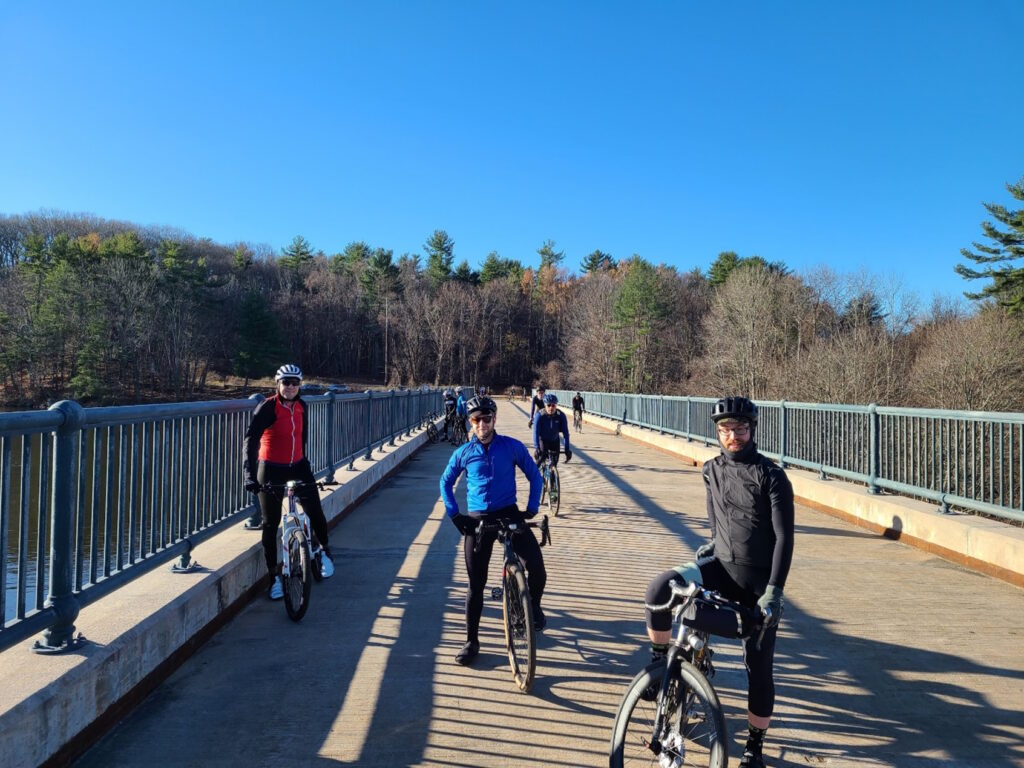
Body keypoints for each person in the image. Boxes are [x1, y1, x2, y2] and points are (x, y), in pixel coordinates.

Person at [642, 396, 793, 768]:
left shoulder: (772, 476)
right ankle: (660, 662)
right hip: (720, 567)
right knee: (659, 589)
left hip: (758, 583)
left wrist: (773, 592)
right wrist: (712, 543)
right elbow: (716, 514)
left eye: (739, 429)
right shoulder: (710, 469)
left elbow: (784, 538)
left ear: (752, 429)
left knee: (759, 670)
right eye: (725, 430)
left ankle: (754, 746)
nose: (732, 436)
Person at [439, 395, 546, 665]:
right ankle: (471, 641)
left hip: (508, 511)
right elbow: (445, 482)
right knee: (476, 584)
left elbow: (535, 475)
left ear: (494, 420)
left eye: (486, 419)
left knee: (537, 568)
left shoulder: (510, 447)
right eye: (476, 420)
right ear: (471, 422)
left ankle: (530, 607)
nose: (482, 424)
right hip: (477, 518)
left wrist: (531, 509)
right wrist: (455, 516)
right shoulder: (463, 452)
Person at [243, 364, 335, 599]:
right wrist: (250, 476)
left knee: (315, 511)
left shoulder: (302, 406)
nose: (291, 387)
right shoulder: (267, 408)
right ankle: (274, 578)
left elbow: (301, 437)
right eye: (286, 382)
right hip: (271, 468)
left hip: (298, 466)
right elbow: (251, 441)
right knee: (270, 524)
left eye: (295, 383)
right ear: (278, 384)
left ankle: (325, 552)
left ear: (300, 385)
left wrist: (304, 460)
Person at [533, 393, 572, 466]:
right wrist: (537, 447)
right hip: (543, 440)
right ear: (545, 405)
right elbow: (536, 432)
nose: (551, 408)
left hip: (555, 440)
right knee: (540, 460)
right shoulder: (539, 415)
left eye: (553, 405)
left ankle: (553, 474)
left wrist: (567, 449)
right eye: (548, 405)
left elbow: (566, 434)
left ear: (556, 405)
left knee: (554, 464)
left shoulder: (561, 415)